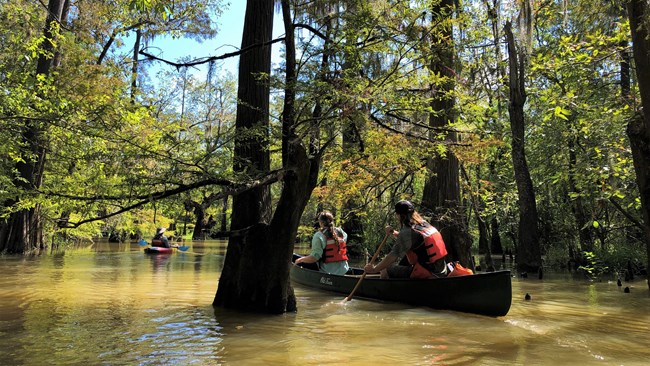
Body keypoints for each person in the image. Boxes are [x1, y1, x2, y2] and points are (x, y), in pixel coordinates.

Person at [364, 200, 448, 279]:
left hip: (429, 272)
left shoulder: (407, 232)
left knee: (385, 269)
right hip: (441, 270)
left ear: (401, 215)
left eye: (397, 214)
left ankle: (386, 293)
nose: (397, 217)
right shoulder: (423, 224)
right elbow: (412, 240)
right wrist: (394, 232)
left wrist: (374, 269)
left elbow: (393, 256)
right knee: (400, 265)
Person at [294, 211, 350, 275]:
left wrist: (300, 260)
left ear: (320, 223)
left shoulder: (319, 236)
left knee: (300, 261)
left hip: (327, 272)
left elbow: (314, 258)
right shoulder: (341, 232)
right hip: (344, 270)